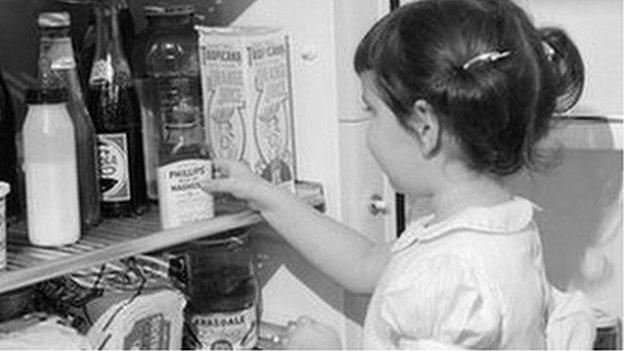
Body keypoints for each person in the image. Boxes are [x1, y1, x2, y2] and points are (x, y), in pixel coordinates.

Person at [202, 0, 596, 348]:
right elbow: (364, 264)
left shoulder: (446, 276)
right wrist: (262, 194)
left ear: (425, 126)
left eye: (372, 110)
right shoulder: (502, 229)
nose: (369, 132)